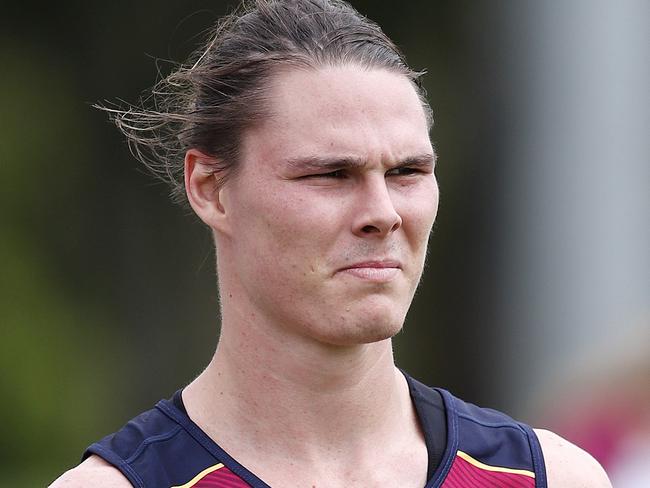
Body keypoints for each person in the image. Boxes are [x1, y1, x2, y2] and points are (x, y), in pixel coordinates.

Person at [51, 1, 611, 486]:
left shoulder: (547, 478)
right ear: (211, 189)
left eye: (407, 172)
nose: (383, 214)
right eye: (330, 175)